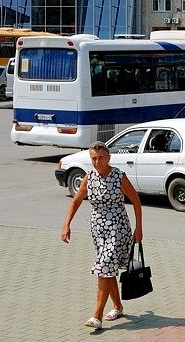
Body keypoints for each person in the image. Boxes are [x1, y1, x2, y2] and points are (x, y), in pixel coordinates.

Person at [61, 141, 143, 330]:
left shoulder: (118, 176)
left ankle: (96, 315)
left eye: (100, 158)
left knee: (104, 267)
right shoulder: (89, 177)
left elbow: (136, 201)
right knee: (108, 269)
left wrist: (139, 229)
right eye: (93, 159)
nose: (97, 162)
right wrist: (66, 225)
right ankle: (117, 306)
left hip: (118, 228)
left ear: (108, 158)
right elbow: (75, 202)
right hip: (98, 230)